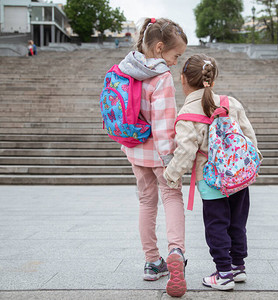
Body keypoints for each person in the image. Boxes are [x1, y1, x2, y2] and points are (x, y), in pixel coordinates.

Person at [163, 54, 262, 291]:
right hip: (238, 178)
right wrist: (253, 162)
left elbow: (186, 151)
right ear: (213, 80)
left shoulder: (187, 113)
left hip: (211, 180)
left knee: (216, 224)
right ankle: (238, 266)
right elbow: (249, 138)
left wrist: (171, 175)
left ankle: (223, 272)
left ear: (183, 79)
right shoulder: (231, 103)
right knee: (238, 223)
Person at [117, 17, 188, 297]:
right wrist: (171, 160)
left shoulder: (126, 69)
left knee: (146, 202)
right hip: (159, 153)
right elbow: (163, 124)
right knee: (172, 196)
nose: (175, 62)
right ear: (160, 48)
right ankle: (176, 252)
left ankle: (151, 262)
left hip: (134, 149)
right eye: (175, 55)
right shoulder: (162, 78)